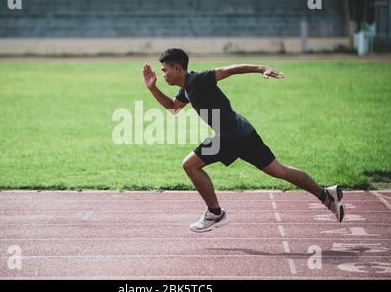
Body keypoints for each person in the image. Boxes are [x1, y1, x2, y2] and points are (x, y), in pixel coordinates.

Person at [142, 48, 345, 233]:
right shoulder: (186, 89)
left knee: (190, 165)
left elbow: (229, 70)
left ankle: (215, 213)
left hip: (231, 136)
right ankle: (326, 195)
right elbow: (173, 108)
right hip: (242, 132)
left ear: (177, 68)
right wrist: (152, 88)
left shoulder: (199, 79)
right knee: (279, 171)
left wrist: (262, 68)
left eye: (164, 70)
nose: (163, 74)